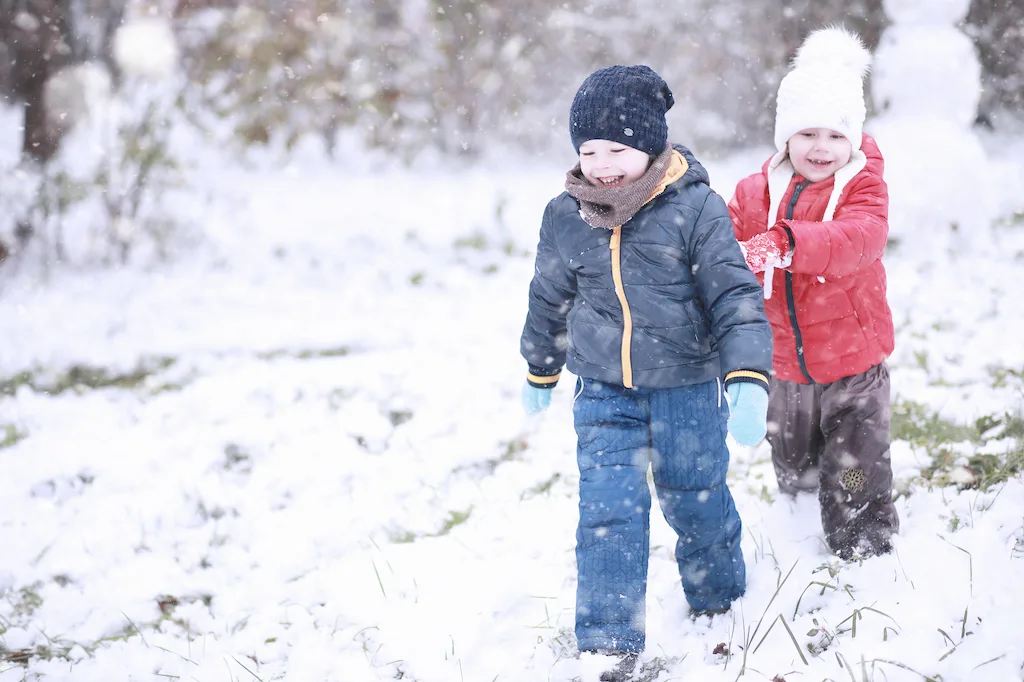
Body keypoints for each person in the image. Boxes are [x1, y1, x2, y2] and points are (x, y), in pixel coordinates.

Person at [519, 64, 772, 681]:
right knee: (608, 510)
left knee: (696, 499)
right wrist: (540, 368)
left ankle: (720, 599)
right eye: (588, 149)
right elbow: (548, 294)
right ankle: (608, 640)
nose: (601, 164)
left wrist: (746, 377)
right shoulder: (566, 214)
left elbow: (733, 294)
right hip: (604, 389)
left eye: (618, 149)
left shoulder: (696, 209)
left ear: (652, 146)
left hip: (687, 385)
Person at [728, 27, 899, 560]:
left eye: (834, 135)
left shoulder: (863, 187)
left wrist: (787, 243)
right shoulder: (755, 192)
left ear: (853, 137)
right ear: (784, 137)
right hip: (783, 359)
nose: (821, 147)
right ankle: (798, 525)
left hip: (852, 357)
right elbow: (727, 241)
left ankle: (864, 544)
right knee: (793, 457)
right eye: (806, 134)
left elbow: (859, 239)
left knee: (854, 460)